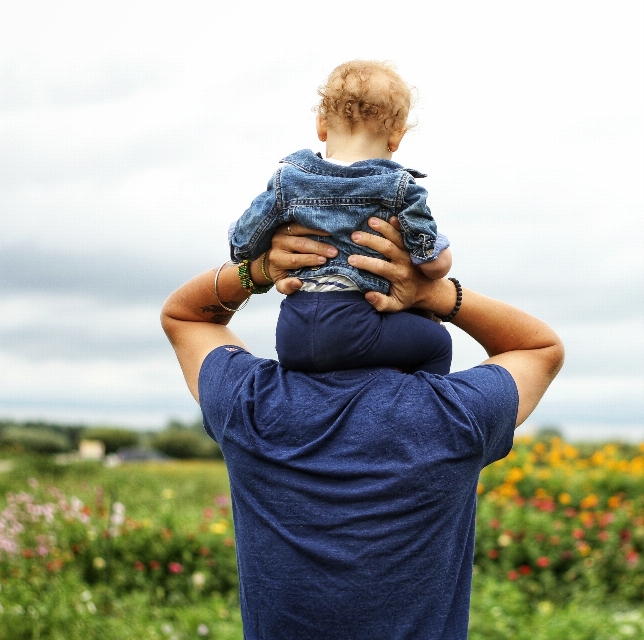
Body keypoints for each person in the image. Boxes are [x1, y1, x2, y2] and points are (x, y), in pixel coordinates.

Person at [161, 218, 564, 639]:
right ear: (418, 324)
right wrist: (436, 292)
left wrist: (258, 270)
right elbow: (538, 347)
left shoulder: (251, 403)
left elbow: (186, 317)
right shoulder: (455, 414)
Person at [229, 60, 454, 375]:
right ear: (396, 137)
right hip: (357, 326)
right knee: (437, 342)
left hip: (292, 332)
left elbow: (243, 244)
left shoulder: (287, 179)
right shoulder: (399, 187)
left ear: (321, 126)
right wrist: (439, 255)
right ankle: (420, 409)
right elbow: (432, 263)